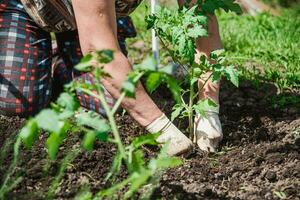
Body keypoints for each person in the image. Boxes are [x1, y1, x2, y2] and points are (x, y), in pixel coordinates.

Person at [0, 0, 223, 155]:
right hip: (30, 6)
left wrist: (209, 107)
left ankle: (69, 57)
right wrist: (162, 129)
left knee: (106, 104)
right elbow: (100, 53)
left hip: (98, 12)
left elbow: (204, 26)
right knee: (19, 105)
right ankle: (62, 49)